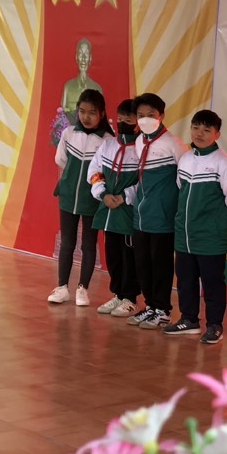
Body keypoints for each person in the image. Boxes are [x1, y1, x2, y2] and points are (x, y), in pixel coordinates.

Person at [164, 109, 227, 345]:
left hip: (211, 237)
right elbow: (181, 189)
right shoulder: (186, 159)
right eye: (196, 127)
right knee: (185, 279)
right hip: (185, 236)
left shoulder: (225, 164)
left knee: (212, 283)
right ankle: (189, 319)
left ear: (217, 134)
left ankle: (215, 325)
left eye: (207, 129)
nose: (200, 133)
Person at [127, 92, 186, 330]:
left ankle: (162, 310)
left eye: (150, 115)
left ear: (161, 116)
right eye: (140, 115)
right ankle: (151, 305)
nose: (145, 120)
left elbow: (184, 178)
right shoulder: (139, 141)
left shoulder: (173, 144)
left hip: (163, 217)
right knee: (142, 263)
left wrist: (172, 206)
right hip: (142, 215)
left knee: (160, 264)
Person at [48, 88, 110, 306]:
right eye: (82, 111)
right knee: (67, 242)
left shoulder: (107, 141)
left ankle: (83, 289)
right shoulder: (68, 133)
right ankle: (62, 287)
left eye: (92, 112)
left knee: (88, 244)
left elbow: (105, 171)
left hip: (91, 199)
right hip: (67, 196)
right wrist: (69, 183)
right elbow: (61, 160)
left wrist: (96, 189)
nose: (86, 117)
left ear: (102, 114)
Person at [87, 98, 142, 318]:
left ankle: (130, 298)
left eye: (128, 119)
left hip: (128, 212)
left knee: (130, 257)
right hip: (108, 212)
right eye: (119, 119)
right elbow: (94, 170)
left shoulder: (143, 149)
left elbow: (145, 180)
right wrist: (102, 193)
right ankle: (118, 294)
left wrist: (125, 196)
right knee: (113, 256)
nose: (122, 123)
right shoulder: (108, 145)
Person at [61, 38, 102, 115]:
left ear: (90, 58)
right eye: (80, 54)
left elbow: (100, 115)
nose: (83, 58)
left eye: (86, 54)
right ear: (76, 57)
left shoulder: (97, 89)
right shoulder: (68, 87)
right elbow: (62, 115)